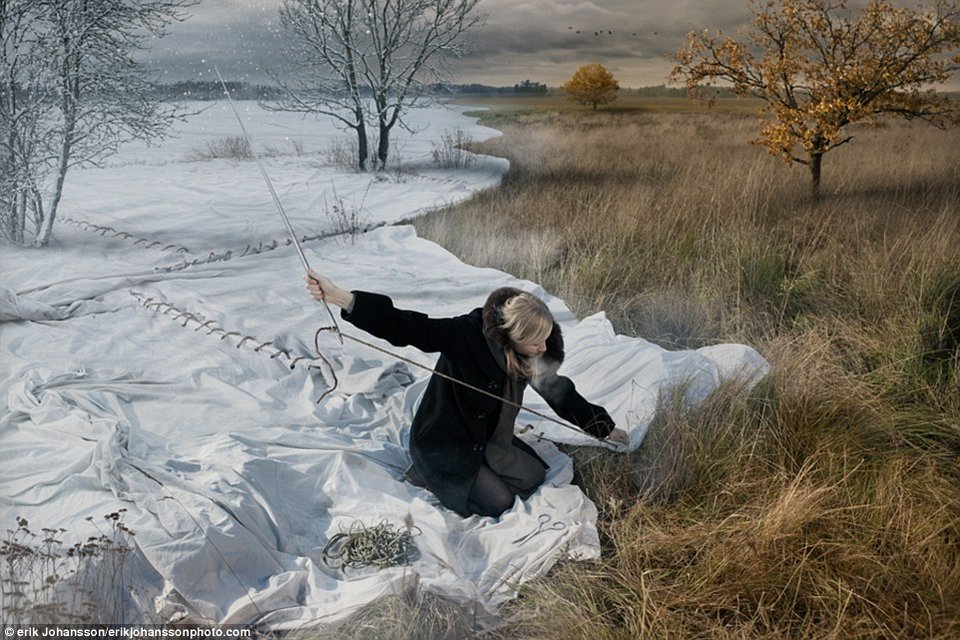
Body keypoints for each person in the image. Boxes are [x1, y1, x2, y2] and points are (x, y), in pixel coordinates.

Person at [305, 269, 629, 518]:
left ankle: (476, 471)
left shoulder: (529, 353)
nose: (543, 348)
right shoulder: (465, 335)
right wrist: (340, 297)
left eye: (545, 339)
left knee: (533, 476)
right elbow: (407, 326)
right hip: (446, 440)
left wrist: (602, 427)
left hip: (486, 437)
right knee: (499, 503)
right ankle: (425, 472)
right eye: (535, 342)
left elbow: (559, 392)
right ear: (512, 337)